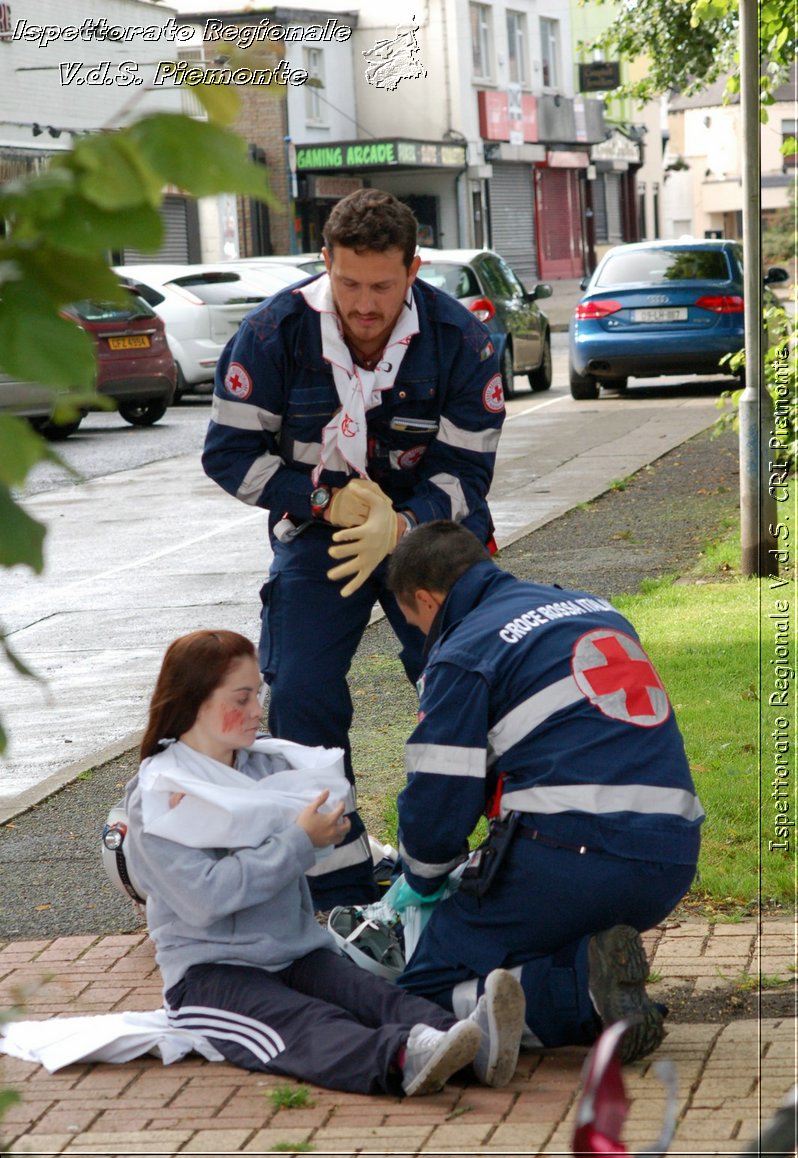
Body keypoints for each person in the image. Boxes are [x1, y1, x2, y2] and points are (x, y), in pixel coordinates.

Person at [202, 188, 505, 909]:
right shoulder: (272, 334)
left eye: (382, 286)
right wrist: (325, 500)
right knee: (301, 688)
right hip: (317, 535)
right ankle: (338, 879)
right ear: (325, 265)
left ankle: (482, 858)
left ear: (413, 270)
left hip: (429, 538)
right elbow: (227, 454)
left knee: (469, 679)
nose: (363, 304)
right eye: (347, 284)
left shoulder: (464, 341)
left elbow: (468, 473)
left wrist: (399, 527)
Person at [123, 629, 527, 1095]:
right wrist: (299, 840)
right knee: (306, 1021)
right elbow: (205, 898)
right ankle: (401, 1057)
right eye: (242, 697)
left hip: (294, 950)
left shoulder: (266, 767)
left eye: (258, 693)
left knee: (374, 995)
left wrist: (322, 835)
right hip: (211, 973)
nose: (257, 709)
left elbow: (312, 835)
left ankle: (468, 1039)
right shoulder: (155, 795)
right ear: (194, 701)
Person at [385, 522, 704, 1064]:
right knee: (527, 931)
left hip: (576, 857)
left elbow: (439, 802)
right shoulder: (592, 606)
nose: (422, 637)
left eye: (416, 624)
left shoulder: (465, 649)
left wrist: (420, 879)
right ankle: (591, 968)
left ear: (426, 598)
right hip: (671, 856)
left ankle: (583, 997)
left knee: (424, 986)